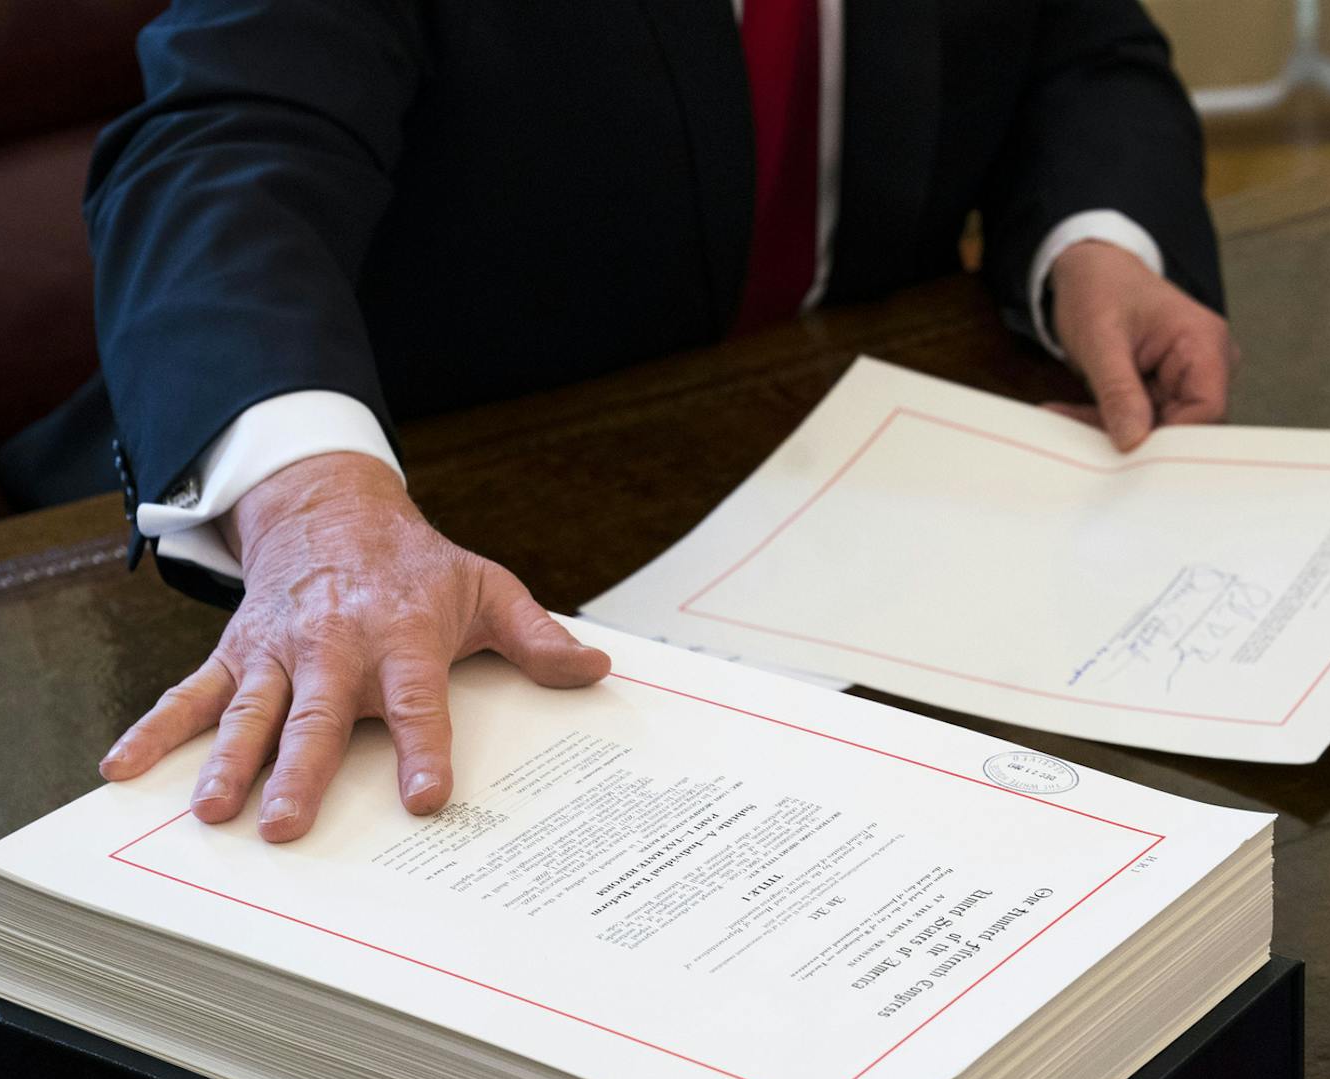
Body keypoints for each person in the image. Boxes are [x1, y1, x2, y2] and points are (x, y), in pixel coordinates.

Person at [86, 0, 1239, 843]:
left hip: (877, 508)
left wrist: (1101, 237)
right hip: (459, 556)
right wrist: (312, 500)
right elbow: (221, 153)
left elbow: (1082, 50)